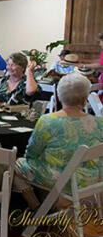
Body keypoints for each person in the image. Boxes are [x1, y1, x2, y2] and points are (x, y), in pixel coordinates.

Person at [13, 73, 103, 209]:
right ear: (85, 99)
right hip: (91, 179)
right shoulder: (99, 122)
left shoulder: (48, 121)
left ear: (60, 96)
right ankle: (52, 205)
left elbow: (31, 155)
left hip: (61, 180)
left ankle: (37, 207)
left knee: (16, 164)